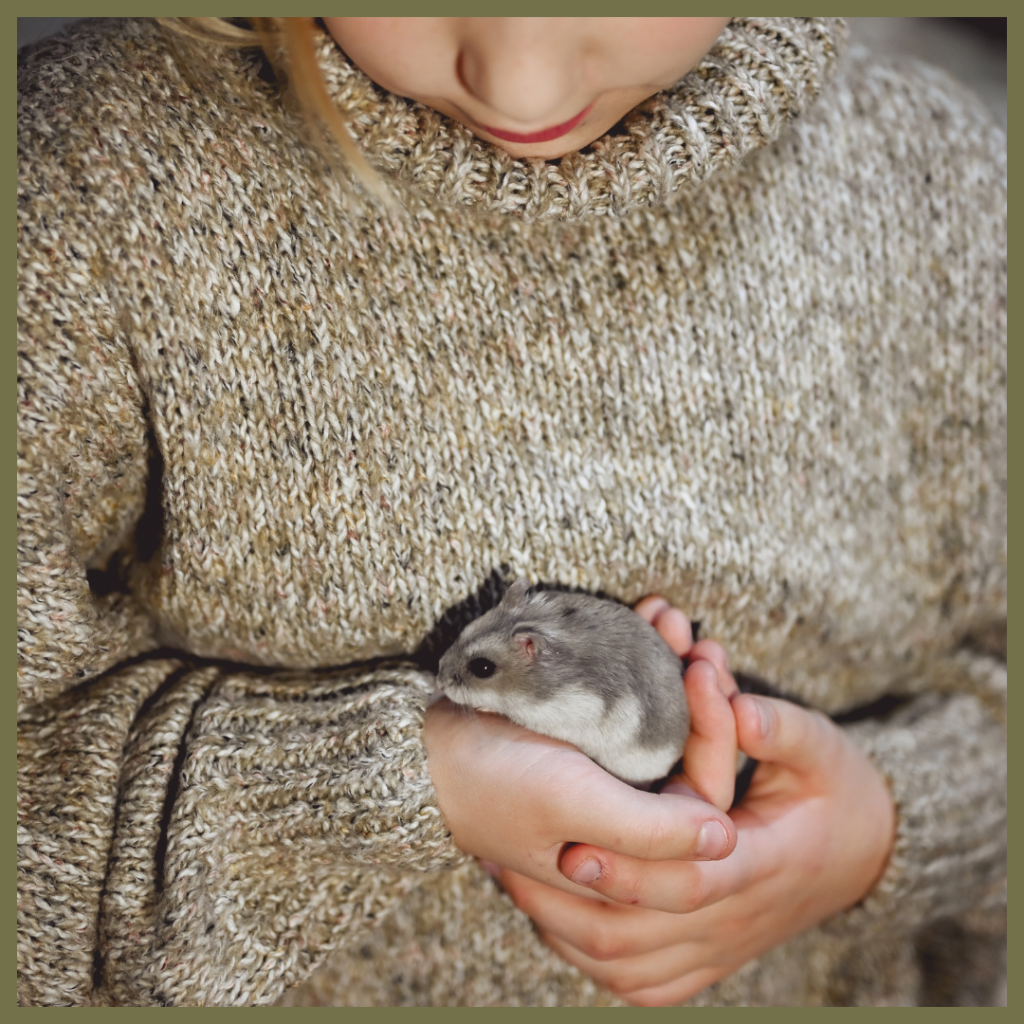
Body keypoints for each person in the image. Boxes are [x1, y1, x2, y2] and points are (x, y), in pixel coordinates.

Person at [17, 17, 1005, 1007]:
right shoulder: (77, 165)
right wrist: (376, 784)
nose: (520, 89)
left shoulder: (946, 188)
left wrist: (891, 826)